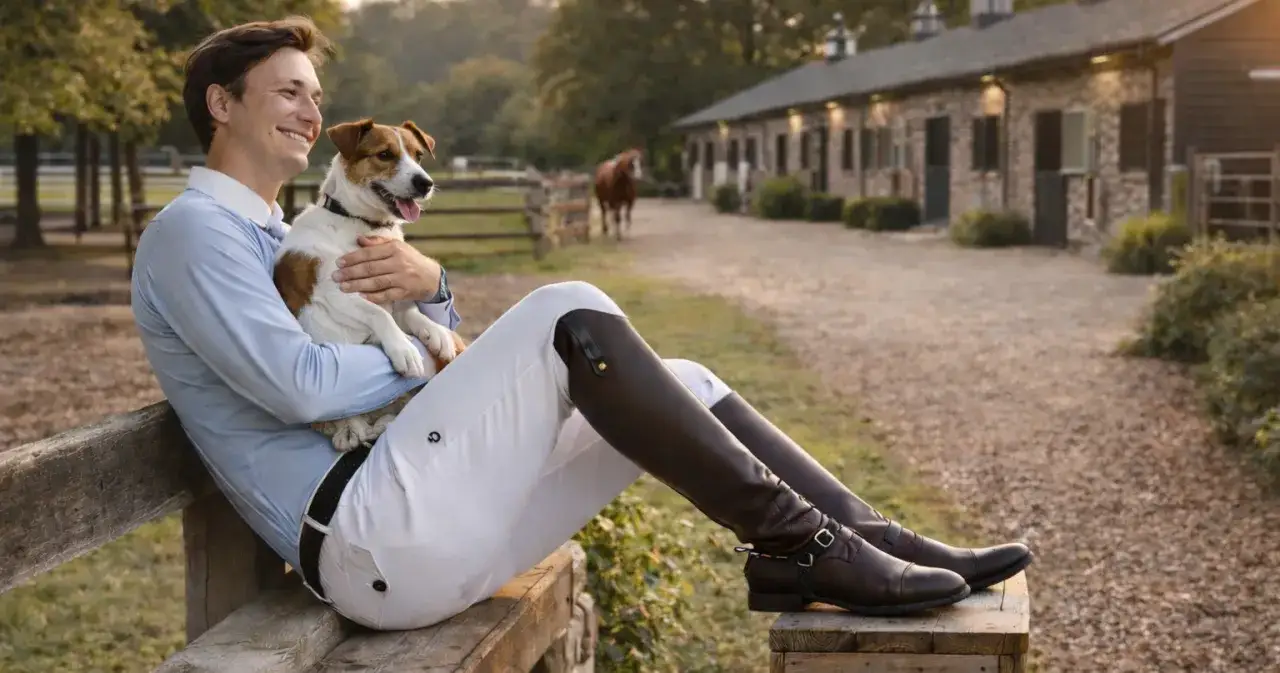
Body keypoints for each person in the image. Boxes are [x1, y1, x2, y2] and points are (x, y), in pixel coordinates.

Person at [131, 16, 1032, 632]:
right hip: (366, 532)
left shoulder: (278, 227)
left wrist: (434, 288)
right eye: (287, 91)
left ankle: (865, 538)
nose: (312, 111)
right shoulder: (193, 232)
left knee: (683, 379)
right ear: (222, 104)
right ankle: (815, 550)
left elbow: (387, 337)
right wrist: (428, 358)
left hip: (426, 508)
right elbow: (295, 386)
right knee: (571, 307)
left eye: (316, 93)